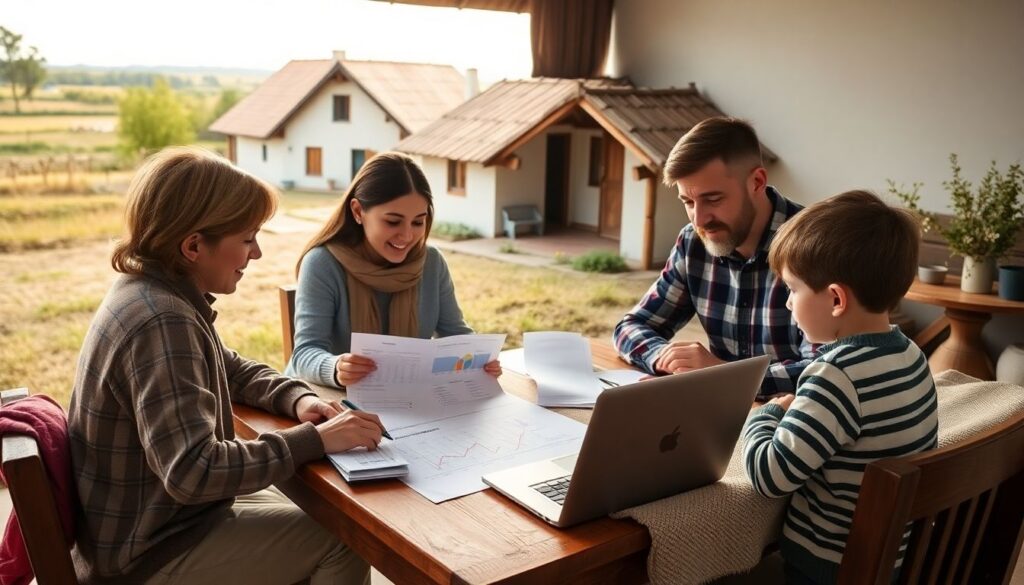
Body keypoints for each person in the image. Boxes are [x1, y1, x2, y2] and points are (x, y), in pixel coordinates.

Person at [68, 147, 381, 585]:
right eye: (248, 238)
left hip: (153, 522)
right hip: (148, 552)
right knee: (346, 540)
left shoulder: (152, 292)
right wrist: (314, 440)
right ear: (194, 245)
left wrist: (299, 398)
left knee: (316, 513)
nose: (255, 254)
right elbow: (195, 472)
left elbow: (228, 367)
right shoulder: (162, 320)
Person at [743, 190, 938, 585]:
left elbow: (768, 477)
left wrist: (767, 414)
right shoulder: (912, 355)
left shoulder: (835, 376)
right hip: (890, 561)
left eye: (793, 289)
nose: (787, 304)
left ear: (835, 299)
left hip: (827, 567)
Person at [613, 116, 813, 396]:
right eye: (688, 202)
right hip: (717, 413)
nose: (700, 218)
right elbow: (631, 326)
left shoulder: (817, 245)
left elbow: (826, 370)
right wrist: (664, 358)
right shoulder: (693, 242)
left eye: (713, 199)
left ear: (756, 181)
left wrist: (720, 375)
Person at [285, 152, 499, 388]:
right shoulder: (323, 263)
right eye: (393, 222)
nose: (407, 236)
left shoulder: (432, 262)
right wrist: (335, 367)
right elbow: (304, 354)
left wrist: (479, 356)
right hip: (333, 403)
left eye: (418, 222)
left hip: (408, 401)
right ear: (357, 211)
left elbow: (455, 334)